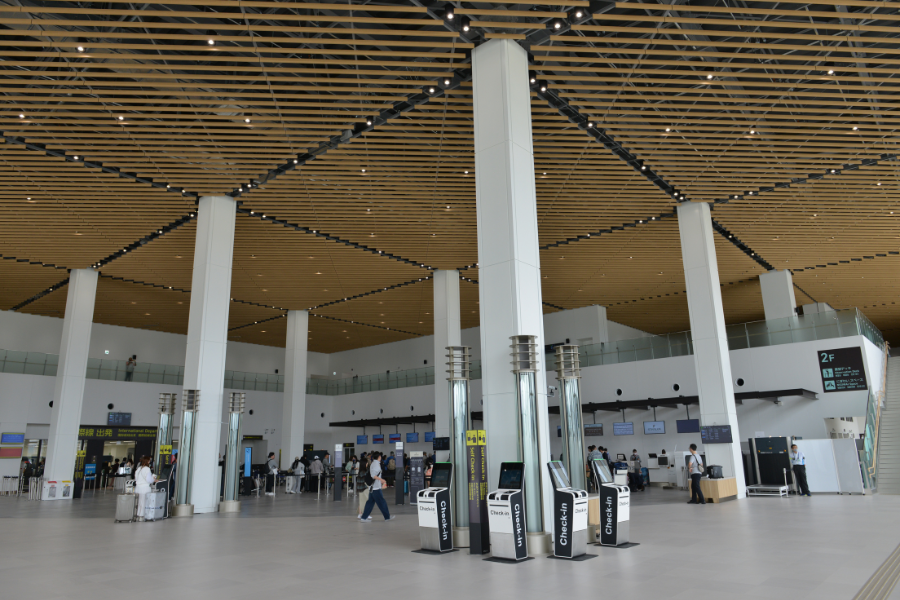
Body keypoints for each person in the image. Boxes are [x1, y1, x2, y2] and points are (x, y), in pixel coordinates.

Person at [359, 452, 395, 522]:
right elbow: (373, 475)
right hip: (375, 488)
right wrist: (381, 480)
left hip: (373, 487)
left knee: (370, 503)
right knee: (382, 502)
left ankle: (364, 517)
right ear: (379, 457)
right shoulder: (376, 464)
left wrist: (380, 480)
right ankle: (387, 517)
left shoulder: (374, 463)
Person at [133, 456, 157, 522]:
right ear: (147, 461)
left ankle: (138, 515)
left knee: (139, 503)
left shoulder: (139, 468)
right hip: (145, 488)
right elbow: (149, 480)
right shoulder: (147, 469)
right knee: (144, 502)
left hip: (138, 487)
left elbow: (136, 478)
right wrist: (153, 478)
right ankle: (143, 516)